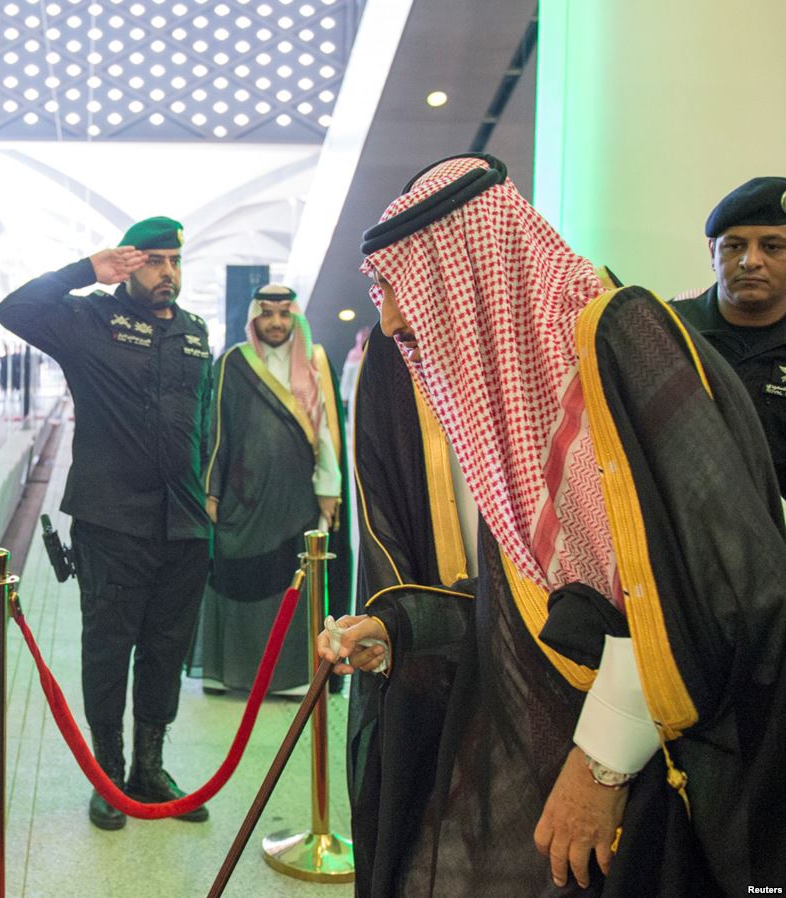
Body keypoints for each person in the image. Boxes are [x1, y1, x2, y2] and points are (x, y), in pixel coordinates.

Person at [321, 154, 786, 896]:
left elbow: (693, 594)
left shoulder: (615, 347)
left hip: (662, 775)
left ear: (464, 273)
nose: (392, 318)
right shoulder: (528, 384)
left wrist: (599, 766)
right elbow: (549, 600)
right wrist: (407, 630)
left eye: (401, 288)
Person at [0, 216, 214, 831]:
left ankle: (151, 767)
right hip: (112, 523)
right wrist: (86, 271)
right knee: (108, 651)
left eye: (175, 261)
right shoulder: (88, 321)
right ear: (128, 263)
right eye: (154, 261)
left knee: (166, 652)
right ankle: (109, 773)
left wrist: (211, 497)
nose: (167, 273)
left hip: (185, 527)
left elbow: (206, 423)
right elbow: (14, 309)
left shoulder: (196, 333)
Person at [192, 284, 346, 697]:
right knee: (233, 576)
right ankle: (225, 672)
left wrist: (329, 490)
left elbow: (327, 432)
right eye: (267, 314)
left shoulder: (315, 362)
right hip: (241, 502)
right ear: (254, 319)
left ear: (294, 317)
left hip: (296, 500)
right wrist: (211, 490)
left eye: (284, 314)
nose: (276, 323)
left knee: (290, 578)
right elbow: (215, 429)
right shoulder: (232, 363)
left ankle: (291, 676)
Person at [670, 176, 786, 495]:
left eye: (772, 247)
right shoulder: (666, 332)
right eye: (734, 246)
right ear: (713, 251)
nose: (750, 261)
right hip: (684, 532)